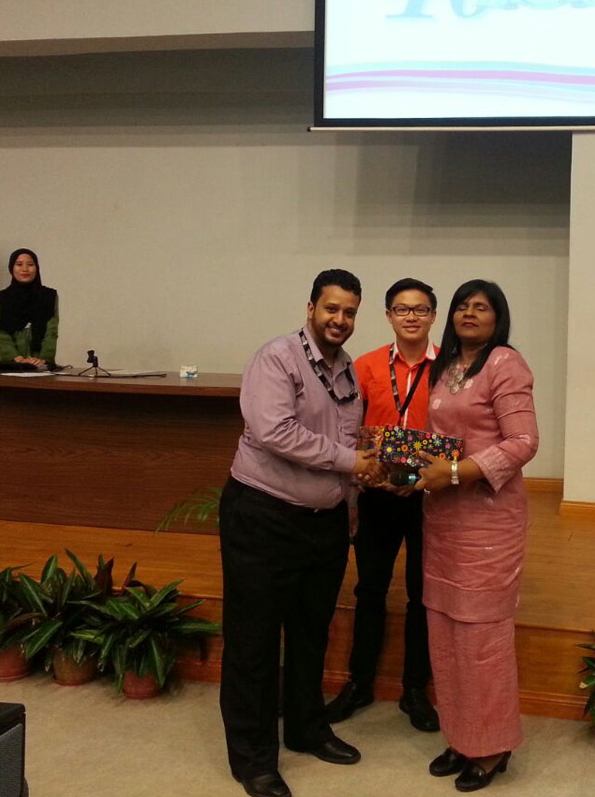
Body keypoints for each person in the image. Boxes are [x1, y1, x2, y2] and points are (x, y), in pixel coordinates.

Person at [219, 268, 381, 797]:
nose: (340, 320)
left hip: (324, 524)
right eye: (332, 308)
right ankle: (253, 758)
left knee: (312, 634)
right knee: (254, 641)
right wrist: (352, 463)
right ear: (310, 308)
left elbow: (349, 443)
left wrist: (351, 508)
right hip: (263, 516)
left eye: (350, 312)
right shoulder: (277, 358)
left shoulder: (348, 370)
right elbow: (275, 431)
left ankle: (307, 728)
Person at [414, 280, 539, 793]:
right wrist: (412, 470)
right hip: (444, 518)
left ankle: (493, 747)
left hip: (488, 520)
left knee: (481, 636)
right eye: (462, 305)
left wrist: (457, 472)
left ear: (497, 318)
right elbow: (443, 438)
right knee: (445, 630)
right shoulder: (446, 367)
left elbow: (524, 441)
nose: (469, 313)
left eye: (481, 307)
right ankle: (462, 737)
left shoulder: (505, 363)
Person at [326, 278, 441, 732]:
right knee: (369, 589)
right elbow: (349, 427)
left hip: (429, 495)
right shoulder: (366, 365)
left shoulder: (450, 370)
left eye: (420, 309)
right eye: (402, 309)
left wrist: (419, 478)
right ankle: (359, 683)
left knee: (422, 594)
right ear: (389, 315)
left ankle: (415, 689)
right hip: (375, 492)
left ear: (433, 316)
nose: (411, 316)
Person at [0, 248, 58, 367]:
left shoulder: (49, 296)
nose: (25, 269)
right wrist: (16, 358)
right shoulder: (2, 298)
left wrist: (43, 359)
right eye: (19, 264)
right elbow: (1, 333)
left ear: (37, 268)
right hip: (10, 364)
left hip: (40, 363)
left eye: (30, 264)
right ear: (11, 268)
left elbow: (51, 332)